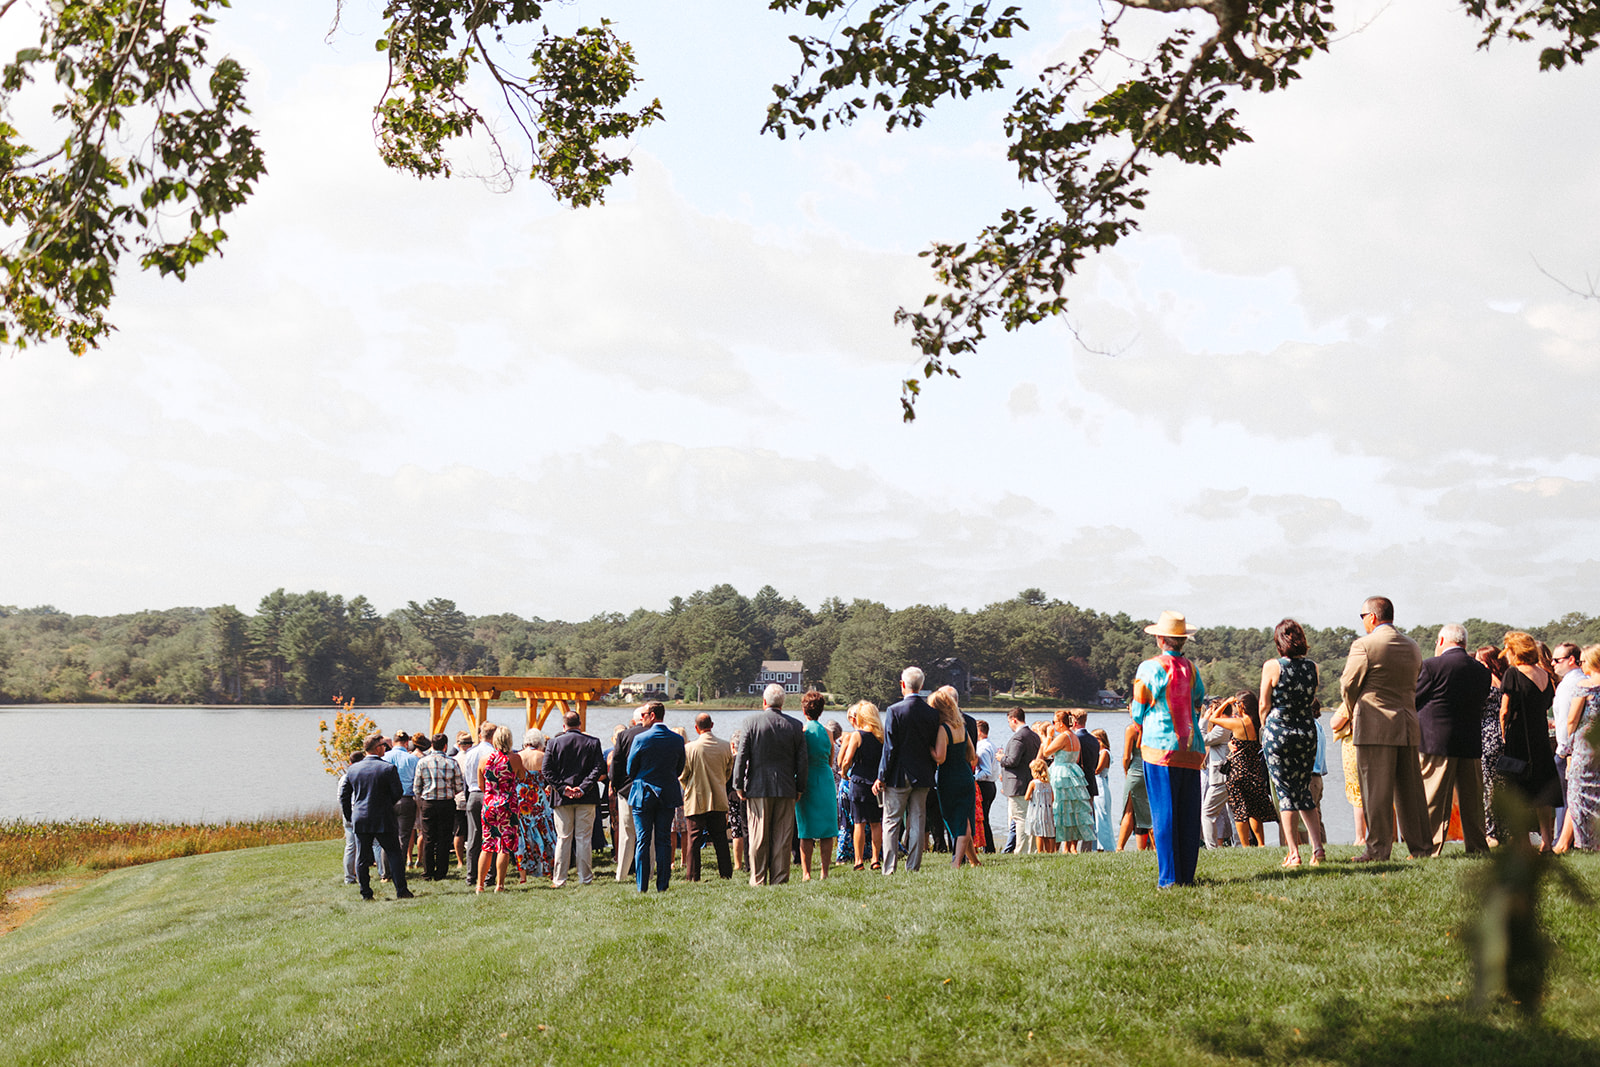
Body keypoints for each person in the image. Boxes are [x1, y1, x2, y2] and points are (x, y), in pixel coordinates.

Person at [1330, 596, 1430, 862]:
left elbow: (1348, 684)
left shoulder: (1364, 645)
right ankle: (1421, 848)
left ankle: (1378, 850)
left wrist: (1352, 709)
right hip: (1407, 724)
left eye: (1362, 616)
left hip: (1374, 726)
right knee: (1411, 792)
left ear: (1372, 617)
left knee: (1375, 792)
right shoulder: (1412, 646)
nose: (1363, 621)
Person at [1129, 610, 1207, 887]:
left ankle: (1169, 878)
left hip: (1160, 748)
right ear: (1183, 640)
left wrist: (1140, 721)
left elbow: (1138, 708)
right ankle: (1187, 875)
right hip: (1191, 748)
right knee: (1188, 815)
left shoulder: (1149, 668)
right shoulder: (1192, 669)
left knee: (1164, 815)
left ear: (1161, 639)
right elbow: (1198, 700)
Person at [1413, 622, 1492, 855]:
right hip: (1470, 740)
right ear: (1464, 643)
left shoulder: (1431, 666)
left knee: (1433, 798)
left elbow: (1413, 698)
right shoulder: (1482, 671)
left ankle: (1430, 847)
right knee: (1473, 802)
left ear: (1441, 641)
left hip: (1436, 741)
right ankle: (1477, 846)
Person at [1258, 618, 1327, 866]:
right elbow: (1308, 697)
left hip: (1279, 731)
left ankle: (1294, 852)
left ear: (1279, 642)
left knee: (1284, 793)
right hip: (1306, 732)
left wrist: (1264, 727)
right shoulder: (1313, 667)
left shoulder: (1272, 666)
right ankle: (1317, 849)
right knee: (1303, 790)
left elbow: (1264, 703)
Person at [732, 683, 807, 886]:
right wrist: (800, 787)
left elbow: (742, 756)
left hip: (758, 787)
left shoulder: (751, 722)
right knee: (782, 837)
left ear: (764, 701)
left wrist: (738, 784)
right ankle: (779, 879)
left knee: (758, 835)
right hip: (786, 787)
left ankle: (758, 878)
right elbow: (802, 761)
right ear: (783, 703)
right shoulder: (795, 725)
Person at [1498, 631, 1562, 850]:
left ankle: (1524, 842)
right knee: (1542, 789)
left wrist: (1503, 734)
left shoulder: (1513, 674)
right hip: (1540, 736)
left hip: (1518, 736)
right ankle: (1546, 841)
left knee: (1518, 790)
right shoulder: (1545, 675)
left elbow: (1505, 710)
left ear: (1515, 651)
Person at [875, 666, 939, 874]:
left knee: (891, 822)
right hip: (923, 775)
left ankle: (889, 867)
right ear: (921, 685)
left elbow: (890, 748)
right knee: (918, 822)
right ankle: (913, 866)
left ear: (903, 685)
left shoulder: (894, 711)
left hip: (898, 775)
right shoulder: (932, 713)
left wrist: (882, 775)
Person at [339, 732, 413, 901]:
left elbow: (344, 795)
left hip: (361, 818)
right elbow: (398, 792)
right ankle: (401, 890)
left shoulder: (353, 769)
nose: (385, 749)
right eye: (383, 746)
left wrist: (350, 816)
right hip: (383, 818)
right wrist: (387, 804)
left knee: (362, 858)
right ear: (377, 748)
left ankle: (366, 893)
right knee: (394, 853)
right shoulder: (388, 768)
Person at [625, 701, 687, 893]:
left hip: (643, 793)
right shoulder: (677, 740)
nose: (641, 718)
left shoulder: (641, 739)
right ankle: (662, 885)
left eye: (643, 715)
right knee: (664, 840)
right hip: (667, 792)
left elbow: (630, 769)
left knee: (643, 840)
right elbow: (680, 768)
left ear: (652, 716)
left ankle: (642, 886)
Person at [542, 710, 606, 887]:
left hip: (562, 798)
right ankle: (585, 878)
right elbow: (598, 768)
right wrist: (583, 787)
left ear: (564, 726)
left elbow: (546, 770)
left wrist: (563, 788)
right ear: (580, 724)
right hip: (587, 796)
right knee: (583, 838)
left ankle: (559, 879)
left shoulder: (553, 743)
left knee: (563, 838)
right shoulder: (593, 742)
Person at [1209, 693, 1276, 849]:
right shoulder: (1259, 723)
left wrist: (1226, 702)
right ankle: (1261, 844)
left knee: (1240, 811)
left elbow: (1213, 718)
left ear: (1242, 706)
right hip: (1255, 770)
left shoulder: (1237, 723)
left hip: (1238, 771)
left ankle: (1245, 845)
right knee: (1254, 811)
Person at [930, 686, 980, 869]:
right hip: (965, 775)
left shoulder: (943, 729)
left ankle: (956, 862)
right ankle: (974, 861)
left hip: (949, 777)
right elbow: (972, 754)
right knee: (964, 818)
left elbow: (940, 758)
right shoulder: (962, 727)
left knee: (956, 821)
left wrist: (929, 748)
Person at [681, 712, 735, 880]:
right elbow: (728, 772)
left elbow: (683, 774)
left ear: (696, 728)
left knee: (694, 840)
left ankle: (693, 875)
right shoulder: (725, 746)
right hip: (718, 798)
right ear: (712, 725)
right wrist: (719, 783)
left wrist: (688, 788)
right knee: (720, 838)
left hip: (696, 800)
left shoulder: (689, 748)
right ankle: (726, 873)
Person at [1558, 645, 1600, 851]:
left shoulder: (1585, 686)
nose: (1582, 665)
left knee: (1577, 793)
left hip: (1585, 746)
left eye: (1583, 661)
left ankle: (1584, 841)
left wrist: (1567, 746)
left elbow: (1572, 719)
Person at [795, 690, 837, 880]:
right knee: (827, 830)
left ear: (804, 710)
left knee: (806, 830)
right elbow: (830, 760)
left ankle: (806, 873)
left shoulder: (802, 732)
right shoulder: (829, 733)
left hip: (807, 780)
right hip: (825, 780)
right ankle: (824, 872)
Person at [837, 701, 885, 870]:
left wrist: (844, 772)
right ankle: (875, 859)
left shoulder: (858, 735)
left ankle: (858, 861)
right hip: (876, 784)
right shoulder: (882, 736)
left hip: (859, 782)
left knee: (859, 822)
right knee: (876, 823)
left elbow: (846, 760)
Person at [1550, 642, 1589, 843]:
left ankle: (1562, 840)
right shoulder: (1584, 680)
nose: (1553, 663)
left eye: (1557, 660)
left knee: (1566, 799)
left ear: (1571, 660)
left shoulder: (1569, 685)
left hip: (1568, 749)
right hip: (1581, 747)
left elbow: (1568, 720)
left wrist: (1564, 750)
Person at [475, 724, 522, 893]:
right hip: (508, 805)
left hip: (489, 804)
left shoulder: (484, 759)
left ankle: (480, 885)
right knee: (504, 846)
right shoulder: (515, 759)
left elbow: (481, 785)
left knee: (487, 845)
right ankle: (499, 885)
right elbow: (522, 776)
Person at [413, 732, 465, 882]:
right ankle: (441, 871)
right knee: (444, 837)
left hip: (428, 802)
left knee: (428, 837)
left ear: (432, 745)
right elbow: (459, 786)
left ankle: (428, 871)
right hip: (446, 802)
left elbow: (416, 787)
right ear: (445, 746)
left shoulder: (422, 762)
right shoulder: (452, 762)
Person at [1042, 709, 1094, 852]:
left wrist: (1048, 736)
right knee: (1073, 809)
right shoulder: (1074, 737)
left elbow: (1046, 752)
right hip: (1073, 772)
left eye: (1054, 722)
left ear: (1060, 723)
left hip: (1061, 772)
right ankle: (1071, 847)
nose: (1053, 725)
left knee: (1060, 808)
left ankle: (1058, 847)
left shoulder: (1063, 736)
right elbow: (1076, 758)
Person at [609, 708, 648, 884]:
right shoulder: (653, 734)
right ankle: (648, 872)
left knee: (626, 833)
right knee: (648, 833)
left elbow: (616, 763)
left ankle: (622, 874)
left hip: (626, 790)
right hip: (649, 789)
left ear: (633, 721)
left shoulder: (624, 736)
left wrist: (616, 785)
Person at [513, 729, 556, 882]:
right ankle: (550, 870)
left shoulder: (517, 757)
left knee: (522, 835)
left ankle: (523, 875)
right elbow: (551, 778)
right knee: (545, 832)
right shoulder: (543, 756)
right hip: (538, 797)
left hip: (521, 798)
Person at [1476, 645, 1508, 845]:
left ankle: (1491, 831)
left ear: (1487, 663)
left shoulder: (1486, 682)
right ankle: (1504, 829)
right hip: (1502, 735)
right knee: (1501, 784)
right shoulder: (1505, 681)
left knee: (1487, 785)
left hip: (1487, 734)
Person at [458, 722, 495, 885]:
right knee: (492, 836)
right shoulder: (493, 753)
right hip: (489, 794)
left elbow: (466, 777)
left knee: (473, 837)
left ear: (480, 735)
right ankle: (490, 875)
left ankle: (471, 875)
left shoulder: (471, 753)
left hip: (473, 794)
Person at [1000, 708, 1040, 854]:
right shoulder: (1034, 736)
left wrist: (1001, 758)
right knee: (1030, 817)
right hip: (1029, 780)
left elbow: (1013, 761)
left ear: (1014, 720)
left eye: (1009, 722)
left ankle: (1021, 850)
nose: (1009, 725)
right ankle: (1032, 849)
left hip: (1018, 784)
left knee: (1020, 818)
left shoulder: (1019, 737)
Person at [383, 730, 421, 878]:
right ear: (406, 743)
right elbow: (417, 781)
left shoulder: (384, 757)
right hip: (406, 799)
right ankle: (398, 870)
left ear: (393, 743)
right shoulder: (413, 759)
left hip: (387, 800)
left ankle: (386, 871)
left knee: (386, 835)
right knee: (403, 837)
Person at [1200, 703, 1234, 848]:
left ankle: (1212, 847)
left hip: (1221, 777)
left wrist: (1204, 721)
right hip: (1229, 775)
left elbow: (1202, 740)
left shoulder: (1222, 727)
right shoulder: (1232, 723)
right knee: (1234, 814)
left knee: (1207, 812)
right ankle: (1239, 844)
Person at [1117, 719, 1153, 851]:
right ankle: (1156, 847)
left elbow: (1126, 757)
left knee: (1129, 811)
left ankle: (1120, 847)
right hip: (1151, 770)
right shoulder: (1154, 726)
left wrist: (1126, 771)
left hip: (1136, 770)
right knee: (1151, 811)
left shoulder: (1132, 729)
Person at [1073, 711, 1102, 851]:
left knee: (1073, 817)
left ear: (1073, 722)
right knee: (1089, 818)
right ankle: (1087, 848)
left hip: (1077, 782)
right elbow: (1095, 763)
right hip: (1091, 781)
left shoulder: (1074, 739)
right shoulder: (1094, 740)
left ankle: (1071, 847)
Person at [974, 720, 1000, 854]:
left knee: (982, 818)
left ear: (979, 732)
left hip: (984, 785)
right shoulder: (991, 745)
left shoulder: (982, 748)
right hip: (991, 785)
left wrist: (973, 778)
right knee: (985, 818)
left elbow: (986, 771)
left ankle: (988, 848)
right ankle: (988, 847)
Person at [337, 749, 362, 884]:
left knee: (350, 846)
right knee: (364, 845)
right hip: (358, 812)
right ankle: (361, 874)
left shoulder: (344, 778)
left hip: (347, 812)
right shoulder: (361, 776)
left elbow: (340, 798)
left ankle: (349, 877)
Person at [1090, 727, 1115, 853]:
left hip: (1100, 785)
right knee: (1095, 818)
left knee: (1102, 817)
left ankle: (1106, 846)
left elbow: (1098, 770)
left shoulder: (1104, 752)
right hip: (1096, 784)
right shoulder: (1099, 752)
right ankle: (1096, 846)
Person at [1024, 758, 1056, 853]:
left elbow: (1026, 797)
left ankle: (1040, 851)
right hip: (1047, 811)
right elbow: (1052, 798)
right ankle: (1049, 851)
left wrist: (1032, 798)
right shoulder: (1048, 783)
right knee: (1046, 833)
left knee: (1039, 833)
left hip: (1036, 810)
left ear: (1034, 771)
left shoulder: (1033, 783)